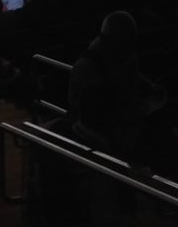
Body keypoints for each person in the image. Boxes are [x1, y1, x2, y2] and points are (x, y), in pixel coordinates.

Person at [66, 11, 166, 159]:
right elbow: (89, 116)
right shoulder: (87, 69)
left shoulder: (121, 54)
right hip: (103, 135)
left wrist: (150, 88)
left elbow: (134, 77)